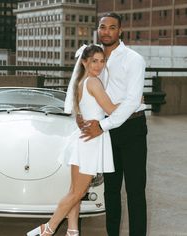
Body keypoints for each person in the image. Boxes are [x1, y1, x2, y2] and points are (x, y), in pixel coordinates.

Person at [26, 44, 119, 236]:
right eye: (94, 61)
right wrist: (134, 102)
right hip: (90, 143)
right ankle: (48, 228)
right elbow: (111, 110)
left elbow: (83, 112)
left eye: (102, 61)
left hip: (83, 140)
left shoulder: (81, 82)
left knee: (74, 191)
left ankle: (72, 231)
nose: (99, 66)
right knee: (76, 193)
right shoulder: (93, 82)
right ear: (84, 62)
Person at [78, 13, 148, 236]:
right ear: (98, 29)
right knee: (110, 191)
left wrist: (104, 125)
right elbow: (82, 86)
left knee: (135, 191)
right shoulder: (93, 58)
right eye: (102, 27)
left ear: (120, 31)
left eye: (112, 27)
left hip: (131, 129)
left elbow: (132, 100)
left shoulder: (133, 59)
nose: (106, 31)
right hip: (106, 129)